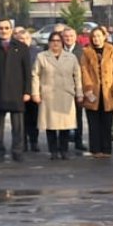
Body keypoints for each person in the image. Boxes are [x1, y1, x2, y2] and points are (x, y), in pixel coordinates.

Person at [0, 19, 32, 162]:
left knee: (18, 126)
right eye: (1, 28)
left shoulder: (21, 47)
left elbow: (27, 72)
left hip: (17, 92)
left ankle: (17, 151)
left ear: (11, 30)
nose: (3, 30)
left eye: (6, 28)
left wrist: (27, 91)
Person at [32, 31, 82, 160]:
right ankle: (53, 151)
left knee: (65, 125)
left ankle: (64, 150)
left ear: (62, 43)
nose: (55, 43)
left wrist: (79, 93)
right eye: (53, 41)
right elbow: (35, 75)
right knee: (51, 125)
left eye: (58, 41)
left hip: (66, 94)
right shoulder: (41, 57)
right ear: (49, 43)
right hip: (49, 94)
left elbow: (77, 76)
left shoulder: (71, 57)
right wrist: (35, 93)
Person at [80, 26, 113, 158]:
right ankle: (95, 149)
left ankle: (106, 149)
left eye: (99, 36)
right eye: (94, 37)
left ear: (104, 37)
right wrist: (87, 88)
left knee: (107, 122)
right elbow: (84, 71)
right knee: (93, 122)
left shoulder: (111, 51)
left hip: (108, 92)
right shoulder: (86, 52)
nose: (96, 39)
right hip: (93, 92)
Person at [17, 27, 42, 152]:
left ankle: (34, 141)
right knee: (21, 118)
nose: (24, 41)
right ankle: (23, 142)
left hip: (33, 89)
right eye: (21, 39)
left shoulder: (37, 52)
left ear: (30, 39)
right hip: (18, 90)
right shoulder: (14, 51)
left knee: (34, 118)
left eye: (26, 38)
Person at [62, 27, 87, 153]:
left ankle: (78, 141)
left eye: (71, 36)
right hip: (62, 90)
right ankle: (63, 142)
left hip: (77, 89)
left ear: (75, 37)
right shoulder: (57, 50)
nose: (68, 38)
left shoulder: (82, 51)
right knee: (63, 117)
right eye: (66, 36)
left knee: (78, 116)